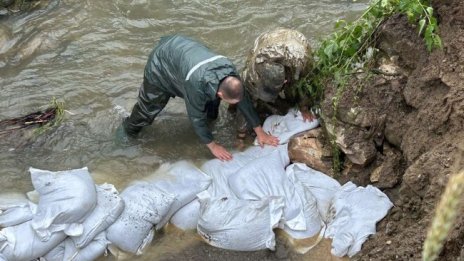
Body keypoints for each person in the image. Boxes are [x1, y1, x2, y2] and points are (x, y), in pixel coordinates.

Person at [122, 34, 279, 161]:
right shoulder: (195, 86)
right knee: (147, 111)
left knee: (211, 113)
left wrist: (260, 131)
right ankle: (126, 132)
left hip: (187, 56)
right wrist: (213, 146)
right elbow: (195, 117)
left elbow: (242, 99)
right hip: (162, 64)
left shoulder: (230, 72)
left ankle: (209, 125)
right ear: (220, 94)